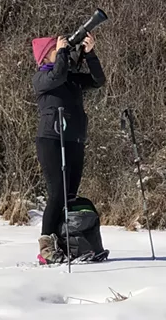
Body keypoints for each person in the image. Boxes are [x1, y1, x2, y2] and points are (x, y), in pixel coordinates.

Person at [31, 32, 105, 264]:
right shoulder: (41, 78)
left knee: (69, 195)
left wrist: (89, 54)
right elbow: (58, 74)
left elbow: (97, 80)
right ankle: (46, 245)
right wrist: (63, 52)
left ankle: (68, 241)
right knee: (57, 194)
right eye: (55, 48)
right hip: (51, 140)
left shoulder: (69, 78)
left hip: (73, 140)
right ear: (45, 57)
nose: (61, 50)